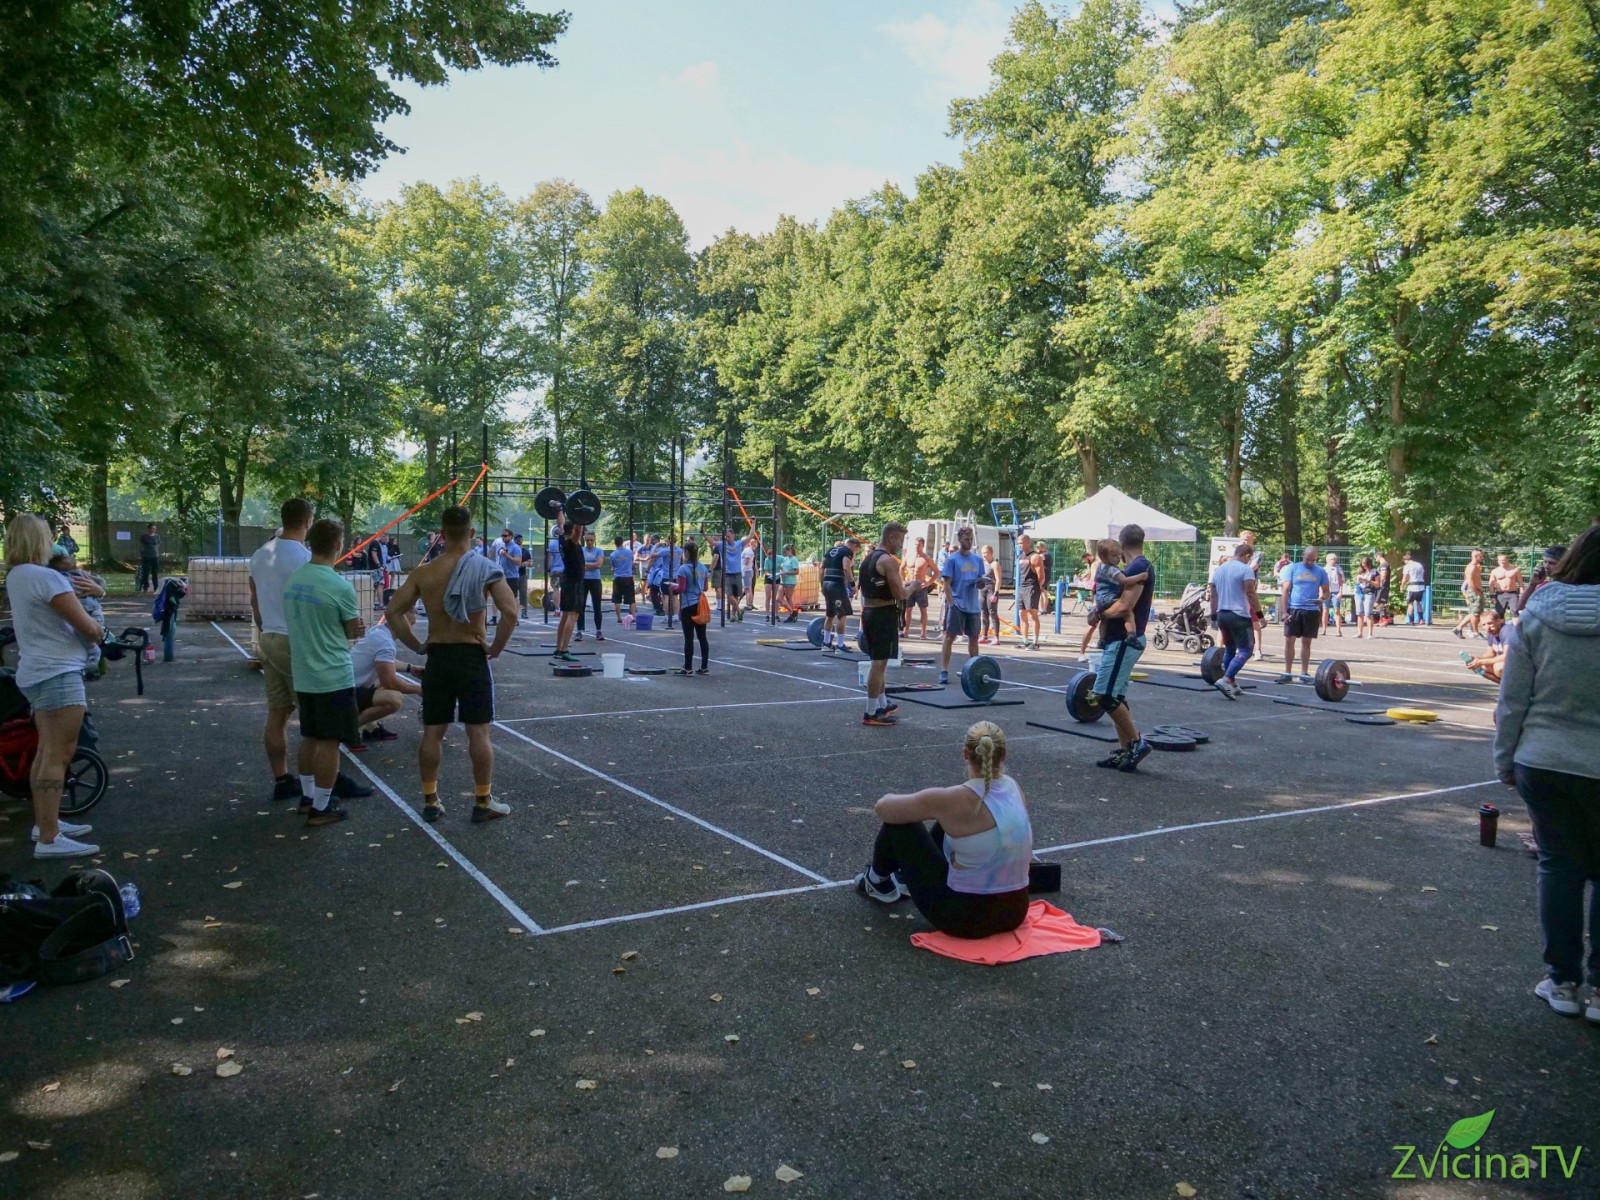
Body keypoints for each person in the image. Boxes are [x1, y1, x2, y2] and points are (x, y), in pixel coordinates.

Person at [1493, 526, 1600, 1023]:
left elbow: (1512, 698)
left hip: (1544, 758)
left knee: (1559, 867)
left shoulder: (1538, 612)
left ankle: (1563, 981)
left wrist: (1505, 759)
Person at [384, 505, 518, 825]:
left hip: (439, 657)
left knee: (432, 732)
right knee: (479, 733)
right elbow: (511, 613)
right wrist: (495, 648)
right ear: (471, 533)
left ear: (442, 535)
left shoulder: (424, 573)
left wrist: (417, 645)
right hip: (471, 656)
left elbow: (392, 612)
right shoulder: (486, 568)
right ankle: (482, 802)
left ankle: (431, 801)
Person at [854, 721, 1032, 939]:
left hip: (966, 920)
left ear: (965, 753)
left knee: (901, 822)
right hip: (1015, 912)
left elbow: (883, 808)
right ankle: (902, 879)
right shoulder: (1014, 788)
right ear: (1003, 754)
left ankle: (876, 881)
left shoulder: (954, 799)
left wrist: (910, 802)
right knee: (950, 821)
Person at [248, 499, 368, 806]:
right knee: (318, 725)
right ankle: (324, 785)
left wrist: (264, 626)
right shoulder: (305, 558)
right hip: (297, 641)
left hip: (268, 636)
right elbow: (319, 598)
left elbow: (254, 597)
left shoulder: (261, 553)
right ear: (308, 521)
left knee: (277, 713)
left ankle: (282, 779)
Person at [5, 514, 104, 858]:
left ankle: (45, 824)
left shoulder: (18, 575)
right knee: (59, 753)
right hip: (58, 673)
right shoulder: (46, 578)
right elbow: (87, 626)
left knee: (47, 751)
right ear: (38, 540)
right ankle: (49, 838)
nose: (52, 541)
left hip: (37, 671)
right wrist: (100, 627)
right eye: (48, 536)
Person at [283, 519, 366, 827]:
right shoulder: (339, 586)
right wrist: (357, 628)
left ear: (311, 543)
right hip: (332, 674)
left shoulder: (294, 580)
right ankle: (321, 807)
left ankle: (307, 797)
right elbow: (351, 631)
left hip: (304, 672)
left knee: (310, 736)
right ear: (338, 546)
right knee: (330, 742)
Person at [1090, 527, 1154, 771]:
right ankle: (1126, 749)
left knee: (1104, 695)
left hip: (1123, 641)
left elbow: (1124, 606)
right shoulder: (1132, 568)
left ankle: (1137, 743)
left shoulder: (1139, 567)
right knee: (1115, 696)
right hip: (1116, 640)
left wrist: (1098, 614)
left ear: (1122, 545)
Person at [859, 521, 911, 726]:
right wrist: (914, 587)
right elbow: (900, 594)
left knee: (880, 663)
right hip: (882, 614)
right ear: (891, 538)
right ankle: (871, 712)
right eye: (900, 540)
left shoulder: (867, 559)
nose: (900, 544)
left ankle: (882, 704)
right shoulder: (888, 561)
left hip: (870, 612)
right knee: (878, 665)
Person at [350, 608, 423, 742]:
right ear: (398, 622)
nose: (411, 630)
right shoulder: (385, 642)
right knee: (394, 699)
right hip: (346, 692)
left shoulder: (379, 631)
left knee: (381, 678)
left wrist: (410, 668)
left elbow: (385, 662)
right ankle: (345, 730)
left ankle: (371, 728)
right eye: (411, 624)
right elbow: (390, 682)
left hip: (347, 685)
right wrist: (419, 689)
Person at [1207, 540, 1264, 700]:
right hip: (1239, 615)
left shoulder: (1219, 570)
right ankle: (1226, 679)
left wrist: (1213, 616)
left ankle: (1231, 682)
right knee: (1246, 650)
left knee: (1230, 648)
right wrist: (1260, 615)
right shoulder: (1246, 569)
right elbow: (1250, 593)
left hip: (1222, 614)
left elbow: (1213, 596)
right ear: (1247, 556)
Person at [938, 528, 986, 686]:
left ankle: (975, 670)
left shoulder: (977, 559)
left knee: (974, 638)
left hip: (973, 606)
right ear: (959, 540)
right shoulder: (952, 559)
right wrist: (952, 604)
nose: (969, 541)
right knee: (950, 637)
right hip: (958, 604)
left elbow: (980, 581)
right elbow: (946, 585)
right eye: (966, 539)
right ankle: (944, 670)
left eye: (971, 539)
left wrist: (981, 583)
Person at [1279, 546, 1330, 680]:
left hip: (1311, 610)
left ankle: (1304, 673)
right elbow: (1285, 591)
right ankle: (1287, 673)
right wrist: (1284, 611)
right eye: (1308, 559)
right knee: (1289, 639)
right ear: (1303, 555)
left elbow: (1326, 591)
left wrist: (1322, 598)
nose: (1310, 562)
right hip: (1294, 608)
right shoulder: (1292, 568)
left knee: (1307, 641)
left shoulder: (1320, 571)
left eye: (1313, 560)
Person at [674, 540, 711, 675]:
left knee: (689, 637)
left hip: (688, 605)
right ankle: (704, 666)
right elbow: (705, 587)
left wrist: (673, 587)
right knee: (702, 637)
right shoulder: (703, 568)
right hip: (700, 605)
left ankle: (688, 667)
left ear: (687, 552)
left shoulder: (683, 569)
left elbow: (682, 588)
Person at [819, 536, 860, 654]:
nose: (855, 552)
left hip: (827, 584)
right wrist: (852, 585)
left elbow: (821, 568)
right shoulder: (847, 551)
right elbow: (846, 568)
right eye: (856, 550)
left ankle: (826, 643)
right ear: (854, 545)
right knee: (842, 614)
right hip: (837, 585)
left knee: (830, 614)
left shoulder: (831, 550)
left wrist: (822, 584)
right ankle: (840, 645)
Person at [553, 522, 587, 660]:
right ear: (573, 531)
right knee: (573, 616)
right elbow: (578, 530)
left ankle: (559, 649)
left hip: (567, 581)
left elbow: (561, 521)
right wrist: (581, 518)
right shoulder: (571, 542)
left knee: (566, 615)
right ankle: (565, 650)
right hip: (574, 583)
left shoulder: (562, 538)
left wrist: (561, 511)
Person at [900, 537, 937, 639]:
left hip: (920, 586)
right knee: (908, 609)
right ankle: (905, 631)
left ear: (923, 546)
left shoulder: (927, 558)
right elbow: (901, 568)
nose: (917, 546)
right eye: (916, 544)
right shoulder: (908, 556)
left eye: (919, 545)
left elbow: (936, 572)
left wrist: (928, 583)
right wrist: (903, 580)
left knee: (923, 610)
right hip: (909, 585)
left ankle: (923, 633)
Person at [1461, 611, 1510, 682]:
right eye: (1484, 625)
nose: (1487, 627)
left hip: (1523, 665)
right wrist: (1476, 659)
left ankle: (1517, 686)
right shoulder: (1491, 633)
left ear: (1498, 621)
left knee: (1499, 667)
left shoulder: (1507, 631)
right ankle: (1506, 687)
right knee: (1480, 667)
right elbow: (1490, 654)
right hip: (1511, 664)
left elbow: (1507, 656)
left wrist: (1481, 662)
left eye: (1490, 623)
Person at [577, 530, 606, 642]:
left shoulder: (599, 551)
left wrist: (585, 564)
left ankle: (599, 630)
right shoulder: (581, 550)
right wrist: (589, 565)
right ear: (584, 539)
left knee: (597, 606)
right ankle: (579, 631)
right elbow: (578, 565)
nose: (589, 542)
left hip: (595, 580)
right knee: (581, 606)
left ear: (594, 540)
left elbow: (598, 565)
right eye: (588, 540)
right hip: (583, 580)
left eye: (591, 540)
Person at [494, 530, 524, 621]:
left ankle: (514, 618)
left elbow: (518, 562)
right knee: (501, 597)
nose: (503, 537)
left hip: (512, 576)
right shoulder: (502, 547)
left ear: (510, 536)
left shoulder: (515, 547)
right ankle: (503, 616)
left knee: (513, 597)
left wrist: (507, 555)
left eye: (505, 535)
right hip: (502, 576)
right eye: (502, 535)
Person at [1455, 548, 1485, 638]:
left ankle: (1458, 628)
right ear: (1475, 556)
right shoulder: (1471, 567)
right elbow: (1470, 581)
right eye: (1480, 556)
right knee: (1475, 613)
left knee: (1475, 612)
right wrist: (1476, 592)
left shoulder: (1477, 566)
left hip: (1477, 590)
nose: (1482, 558)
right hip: (1474, 591)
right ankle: (1475, 632)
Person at [977, 544, 1003, 646]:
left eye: (986, 553)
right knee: (984, 613)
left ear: (991, 553)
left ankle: (996, 637)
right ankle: (984, 636)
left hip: (991, 590)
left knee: (992, 612)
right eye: (983, 553)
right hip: (982, 590)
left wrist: (996, 593)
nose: (984, 555)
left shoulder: (994, 564)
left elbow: (998, 579)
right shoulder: (982, 564)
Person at [1353, 555, 1381, 639]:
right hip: (1359, 593)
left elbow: (1377, 584)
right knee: (1359, 613)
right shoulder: (1361, 571)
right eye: (1362, 564)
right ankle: (1359, 633)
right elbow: (1357, 583)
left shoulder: (1375, 572)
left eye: (1365, 564)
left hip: (1369, 593)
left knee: (1368, 614)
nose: (1364, 566)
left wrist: (1367, 580)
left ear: (1369, 563)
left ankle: (1370, 634)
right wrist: (1358, 580)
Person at [609, 536, 636, 624]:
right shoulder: (629, 552)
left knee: (617, 600)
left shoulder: (613, 555)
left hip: (617, 578)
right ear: (622, 542)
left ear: (615, 543)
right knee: (631, 599)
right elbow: (631, 562)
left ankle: (619, 618)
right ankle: (633, 617)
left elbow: (613, 567)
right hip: (628, 577)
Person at [1400, 550, 1427, 624]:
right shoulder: (1419, 565)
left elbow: (1405, 578)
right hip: (1421, 586)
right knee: (1418, 602)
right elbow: (1422, 575)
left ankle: (1411, 620)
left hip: (1412, 586)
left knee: (1410, 603)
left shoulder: (1407, 566)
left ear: (1406, 560)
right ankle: (1421, 619)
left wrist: (1402, 586)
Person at [1322, 552, 1345, 636]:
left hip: (1336, 591)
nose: (1333, 561)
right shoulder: (1324, 569)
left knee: (1337, 610)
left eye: (1334, 559)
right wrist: (1321, 592)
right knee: (1325, 610)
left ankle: (1338, 631)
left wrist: (1340, 591)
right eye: (1331, 559)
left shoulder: (1338, 569)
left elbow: (1341, 581)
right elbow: (1321, 582)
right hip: (1327, 591)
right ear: (1327, 560)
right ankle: (1324, 630)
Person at [137, 523, 161, 593]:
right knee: (146, 572)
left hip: (155, 557)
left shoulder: (157, 536)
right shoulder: (144, 537)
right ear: (149, 529)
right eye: (152, 528)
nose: (154, 529)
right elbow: (141, 546)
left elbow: (158, 544)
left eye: (155, 528)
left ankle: (156, 587)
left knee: (155, 572)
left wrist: (156, 552)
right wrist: (142, 554)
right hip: (146, 556)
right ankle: (145, 587)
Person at [741, 535, 757, 614]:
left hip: (746, 571)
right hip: (749, 570)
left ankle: (748, 604)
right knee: (748, 588)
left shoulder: (747, 550)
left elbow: (747, 561)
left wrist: (743, 569)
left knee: (747, 589)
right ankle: (749, 603)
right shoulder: (749, 550)